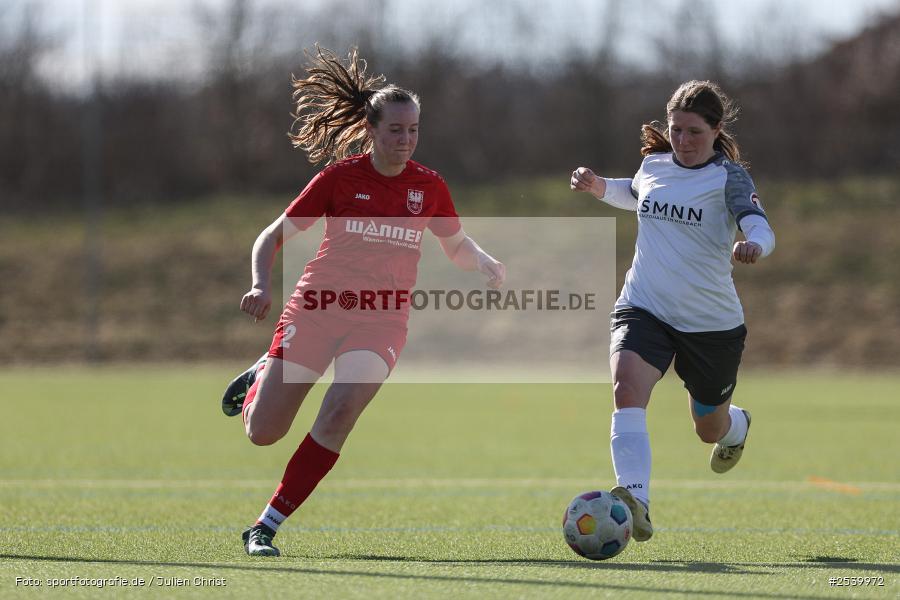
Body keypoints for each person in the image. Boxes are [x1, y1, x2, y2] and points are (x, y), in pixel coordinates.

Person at [221, 46, 506, 557]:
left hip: (381, 322)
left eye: (414, 129)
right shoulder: (339, 179)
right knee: (264, 433)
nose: (406, 139)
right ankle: (265, 369)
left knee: (340, 410)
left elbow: (456, 246)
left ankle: (265, 525)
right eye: (396, 130)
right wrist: (262, 284)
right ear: (372, 131)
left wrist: (482, 259)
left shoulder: (430, 187)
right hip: (318, 307)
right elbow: (271, 236)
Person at [569, 80, 775, 542]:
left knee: (709, 427)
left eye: (693, 132)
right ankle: (635, 499)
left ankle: (736, 425)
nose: (682, 141)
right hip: (644, 306)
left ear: (716, 129)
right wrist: (600, 187)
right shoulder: (655, 164)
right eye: (675, 130)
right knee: (625, 386)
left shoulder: (730, 178)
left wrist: (754, 245)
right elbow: (636, 192)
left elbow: (759, 224)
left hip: (710, 323)